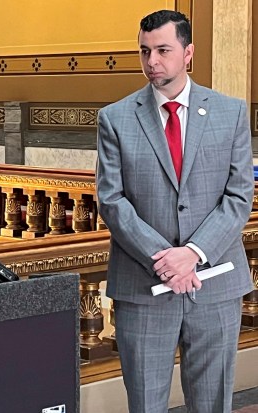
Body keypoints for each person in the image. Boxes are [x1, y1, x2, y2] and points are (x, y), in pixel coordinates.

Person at [96, 10, 254, 413]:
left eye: (163, 50)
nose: (152, 62)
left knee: (211, 402)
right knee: (145, 403)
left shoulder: (230, 113)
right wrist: (167, 261)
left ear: (188, 53)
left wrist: (193, 253)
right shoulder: (114, 118)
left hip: (214, 285)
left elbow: (238, 196)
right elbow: (112, 201)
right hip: (143, 287)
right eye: (145, 51)